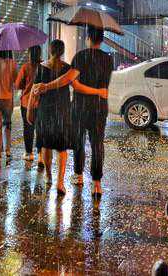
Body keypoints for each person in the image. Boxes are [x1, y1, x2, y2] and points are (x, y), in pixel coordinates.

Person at [34, 27, 113, 200]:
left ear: (88, 37)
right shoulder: (108, 59)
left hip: (80, 107)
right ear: (101, 40)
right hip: (100, 108)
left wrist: (46, 86)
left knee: (79, 141)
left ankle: (78, 175)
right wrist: (99, 92)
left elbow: (69, 80)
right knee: (97, 144)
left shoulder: (81, 56)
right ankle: (97, 184)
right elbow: (101, 86)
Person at [27, 40, 74, 195]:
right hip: (62, 111)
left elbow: (34, 90)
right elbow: (75, 87)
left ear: (50, 50)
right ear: (62, 51)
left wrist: (29, 110)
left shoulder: (42, 68)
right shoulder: (67, 68)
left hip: (45, 110)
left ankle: (48, 176)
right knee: (62, 148)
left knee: (46, 145)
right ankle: (60, 183)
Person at [15, 45, 42, 163]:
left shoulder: (26, 67)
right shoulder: (44, 67)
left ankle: (29, 153)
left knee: (28, 128)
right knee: (40, 128)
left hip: (27, 103)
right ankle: (41, 154)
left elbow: (18, 85)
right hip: (41, 103)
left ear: (30, 54)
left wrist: (25, 85)